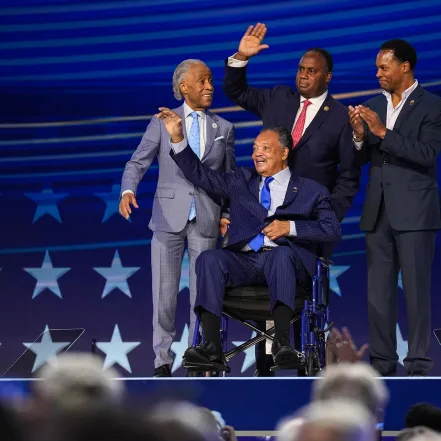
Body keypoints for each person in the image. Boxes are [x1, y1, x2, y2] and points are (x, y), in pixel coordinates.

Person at [155, 108, 341, 370]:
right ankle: (211, 347)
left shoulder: (312, 190)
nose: (257, 153)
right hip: (244, 262)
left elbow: (331, 228)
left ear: (284, 153)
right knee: (209, 258)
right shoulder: (241, 180)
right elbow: (201, 174)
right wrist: (177, 139)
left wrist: (290, 227)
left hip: (285, 266)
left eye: (265, 148)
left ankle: (283, 343)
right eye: (255, 148)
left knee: (281, 254)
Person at [224, 23, 361, 376]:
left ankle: (300, 368)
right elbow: (235, 91)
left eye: (312, 71)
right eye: (301, 69)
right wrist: (241, 57)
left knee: (300, 287)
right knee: (265, 279)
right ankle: (268, 364)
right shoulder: (279, 98)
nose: (304, 76)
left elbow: (348, 175)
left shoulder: (341, 118)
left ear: (327, 77)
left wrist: (327, 215)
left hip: (308, 223)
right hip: (263, 217)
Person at [119, 59, 235, 378]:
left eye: (211, 80)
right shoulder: (161, 122)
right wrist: (127, 191)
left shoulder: (224, 129)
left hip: (207, 220)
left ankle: (197, 357)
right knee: (164, 294)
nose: (210, 86)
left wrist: (225, 214)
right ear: (184, 87)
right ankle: (162, 361)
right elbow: (137, 162)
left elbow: (229, 180)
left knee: (204, 296)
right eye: (203, 81)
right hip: (167, 219)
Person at [349, 39, 441, 377]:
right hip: (378, 211)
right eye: (377, 67)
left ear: (404, 66)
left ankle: (418, 363)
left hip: (416, 211)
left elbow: (426, 154)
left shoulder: (434, 106)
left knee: (417, 292)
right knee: (378, 294)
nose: (377, 73)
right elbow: (360, 158)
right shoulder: (371, 104)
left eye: (384, 67)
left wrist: (381, 130)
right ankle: (382, 362)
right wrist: (360, 136)